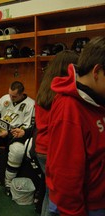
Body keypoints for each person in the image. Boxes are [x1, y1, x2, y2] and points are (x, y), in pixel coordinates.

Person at [46, 36, 105, 216]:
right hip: (85, 208)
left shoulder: (98, 99)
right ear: (97, 72)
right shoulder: (69, 109)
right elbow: (66, 176)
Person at [35, 50, 79, 215]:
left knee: (49, 191)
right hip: (53, 150)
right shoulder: (63, 95)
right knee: (55, 196)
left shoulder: (44, 89)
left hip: (41, 148)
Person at [0, 81, 35, 197]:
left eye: (14, 96)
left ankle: (9, 182)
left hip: (16, 133)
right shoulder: (6, 98)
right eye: (10, 95)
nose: (11, 98)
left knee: (17, 150)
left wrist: (9, 133)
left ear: (21, 93)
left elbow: (28, 127)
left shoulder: (30, 104)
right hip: (1, 130)